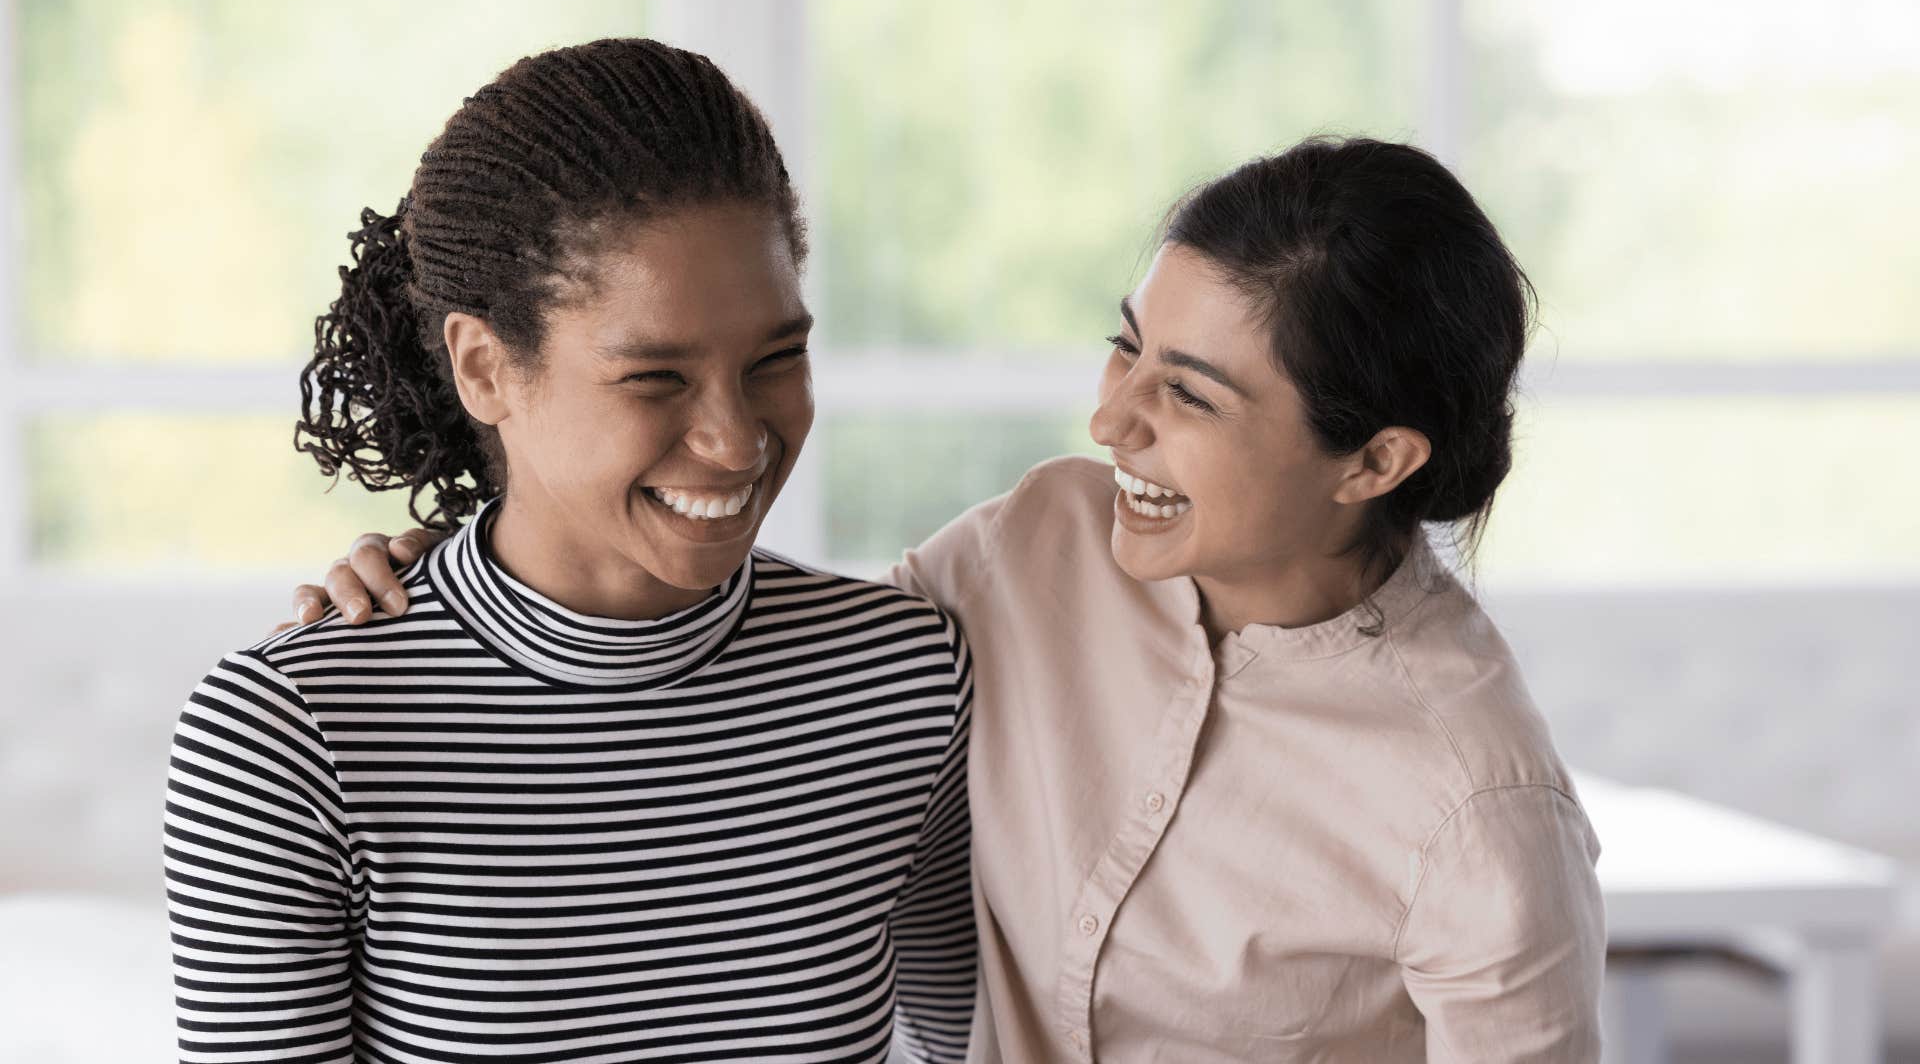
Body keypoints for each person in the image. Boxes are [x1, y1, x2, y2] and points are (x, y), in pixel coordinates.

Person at [293, 138, 1606, 1061]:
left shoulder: (1479, 811)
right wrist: (464, 570)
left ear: (1375, 460)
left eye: (1190, 397)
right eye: (1127, 349)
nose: (1112, 420)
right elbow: (768, 643)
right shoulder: (1040, 545)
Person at [164, 39, 975, 1064]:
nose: (738, 438)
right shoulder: (289, 736)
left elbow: (979, 1043)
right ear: (485, 367)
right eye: (656, 379)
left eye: (776, 358)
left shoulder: (905, 678)